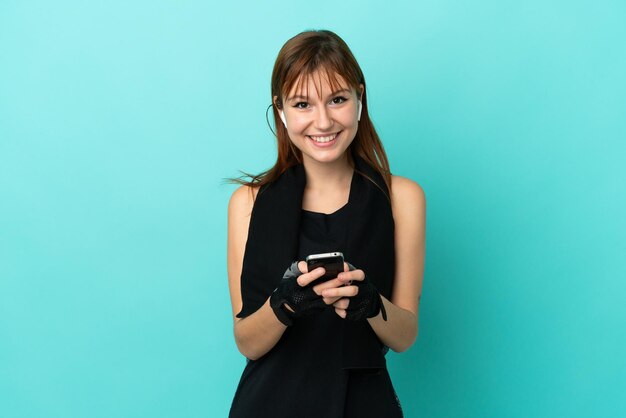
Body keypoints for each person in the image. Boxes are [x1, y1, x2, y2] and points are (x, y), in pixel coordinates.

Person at [226, 29, 425, 418]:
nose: (323, 121)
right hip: (269, 403)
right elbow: (247, 342)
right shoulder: (247, 203)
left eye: (337, 100)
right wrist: (285, 303)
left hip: (364, 404)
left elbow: (405, 335)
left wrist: (369, 301)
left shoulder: (403, 197)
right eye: (302, 104)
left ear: (359, 98)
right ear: (280, 109)